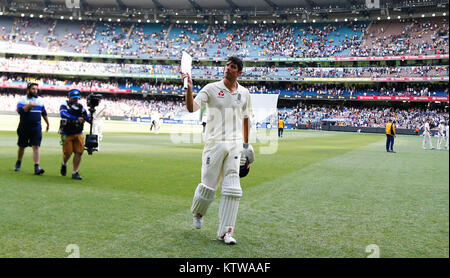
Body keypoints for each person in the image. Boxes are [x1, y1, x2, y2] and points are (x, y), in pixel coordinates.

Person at [181, 56, 254, 245]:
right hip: (214, 144)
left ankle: (226, 232)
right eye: (227, 65)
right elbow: (191, 108)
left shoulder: (245, 93)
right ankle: (198, 212)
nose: (228, 68)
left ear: (239, 72)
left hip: (236, 144)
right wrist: (189, 88)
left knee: (232, 189)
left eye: (233, 67)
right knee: (208, 187)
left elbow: (246, 119)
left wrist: (246, 145)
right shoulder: (211, 88)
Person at [14, 82, 49, 174]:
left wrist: (48, 124)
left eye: (36, 89)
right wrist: (29, 105)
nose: (35, 91)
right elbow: (20, 111)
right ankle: (18, 162)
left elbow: (44, 113)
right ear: (28, 89)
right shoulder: (22, 99)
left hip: (36, 127)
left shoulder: (40, 100)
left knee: (36, 146)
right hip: (24, 126)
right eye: (33, 89)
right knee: (22, 146)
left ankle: (37, 167)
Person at [59, 89, 91, 180]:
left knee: (79, 152)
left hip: (78, 132)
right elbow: (63, 114)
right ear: (69, 97)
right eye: (73, 98)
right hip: (66, 133)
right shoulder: (64, 105)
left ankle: (75, 172)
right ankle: (64, 164)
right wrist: (76, 118)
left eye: (77, 98)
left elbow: (86, 116)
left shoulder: (81, 107)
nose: (76, 100)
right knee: (68, 153)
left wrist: (90, 120)